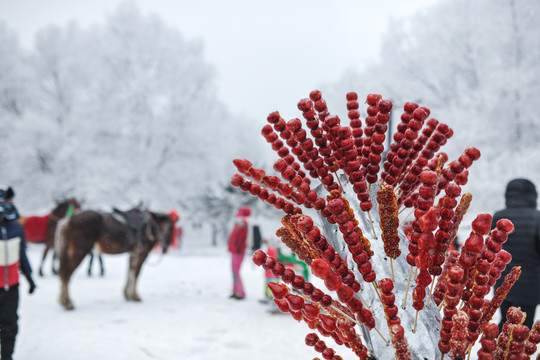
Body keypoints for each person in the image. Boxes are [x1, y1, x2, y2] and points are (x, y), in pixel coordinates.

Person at [493, 178, 540, 330]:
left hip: (502, 281)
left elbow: (491, 249)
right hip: (529, 284)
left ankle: (495, 353)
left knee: (504, 323)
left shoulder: (498, 216)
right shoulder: (537, 218)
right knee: (522, 329)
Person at [0, 187, 36, 360]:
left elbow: (21, 254)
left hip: (11, 286)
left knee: (10, 324)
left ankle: (7, 356)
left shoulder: (15, 227)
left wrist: (29, 278)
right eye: (7, 201)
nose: (10, 205)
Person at [227, 205, 251, 300]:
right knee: (234, 270)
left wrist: (237, 248)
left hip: (237, 250)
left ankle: (240, 292)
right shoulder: (241, 222)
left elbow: (240, 238)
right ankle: (235, 290)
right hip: (236, 250)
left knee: (235, 271)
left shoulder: (242, 222)